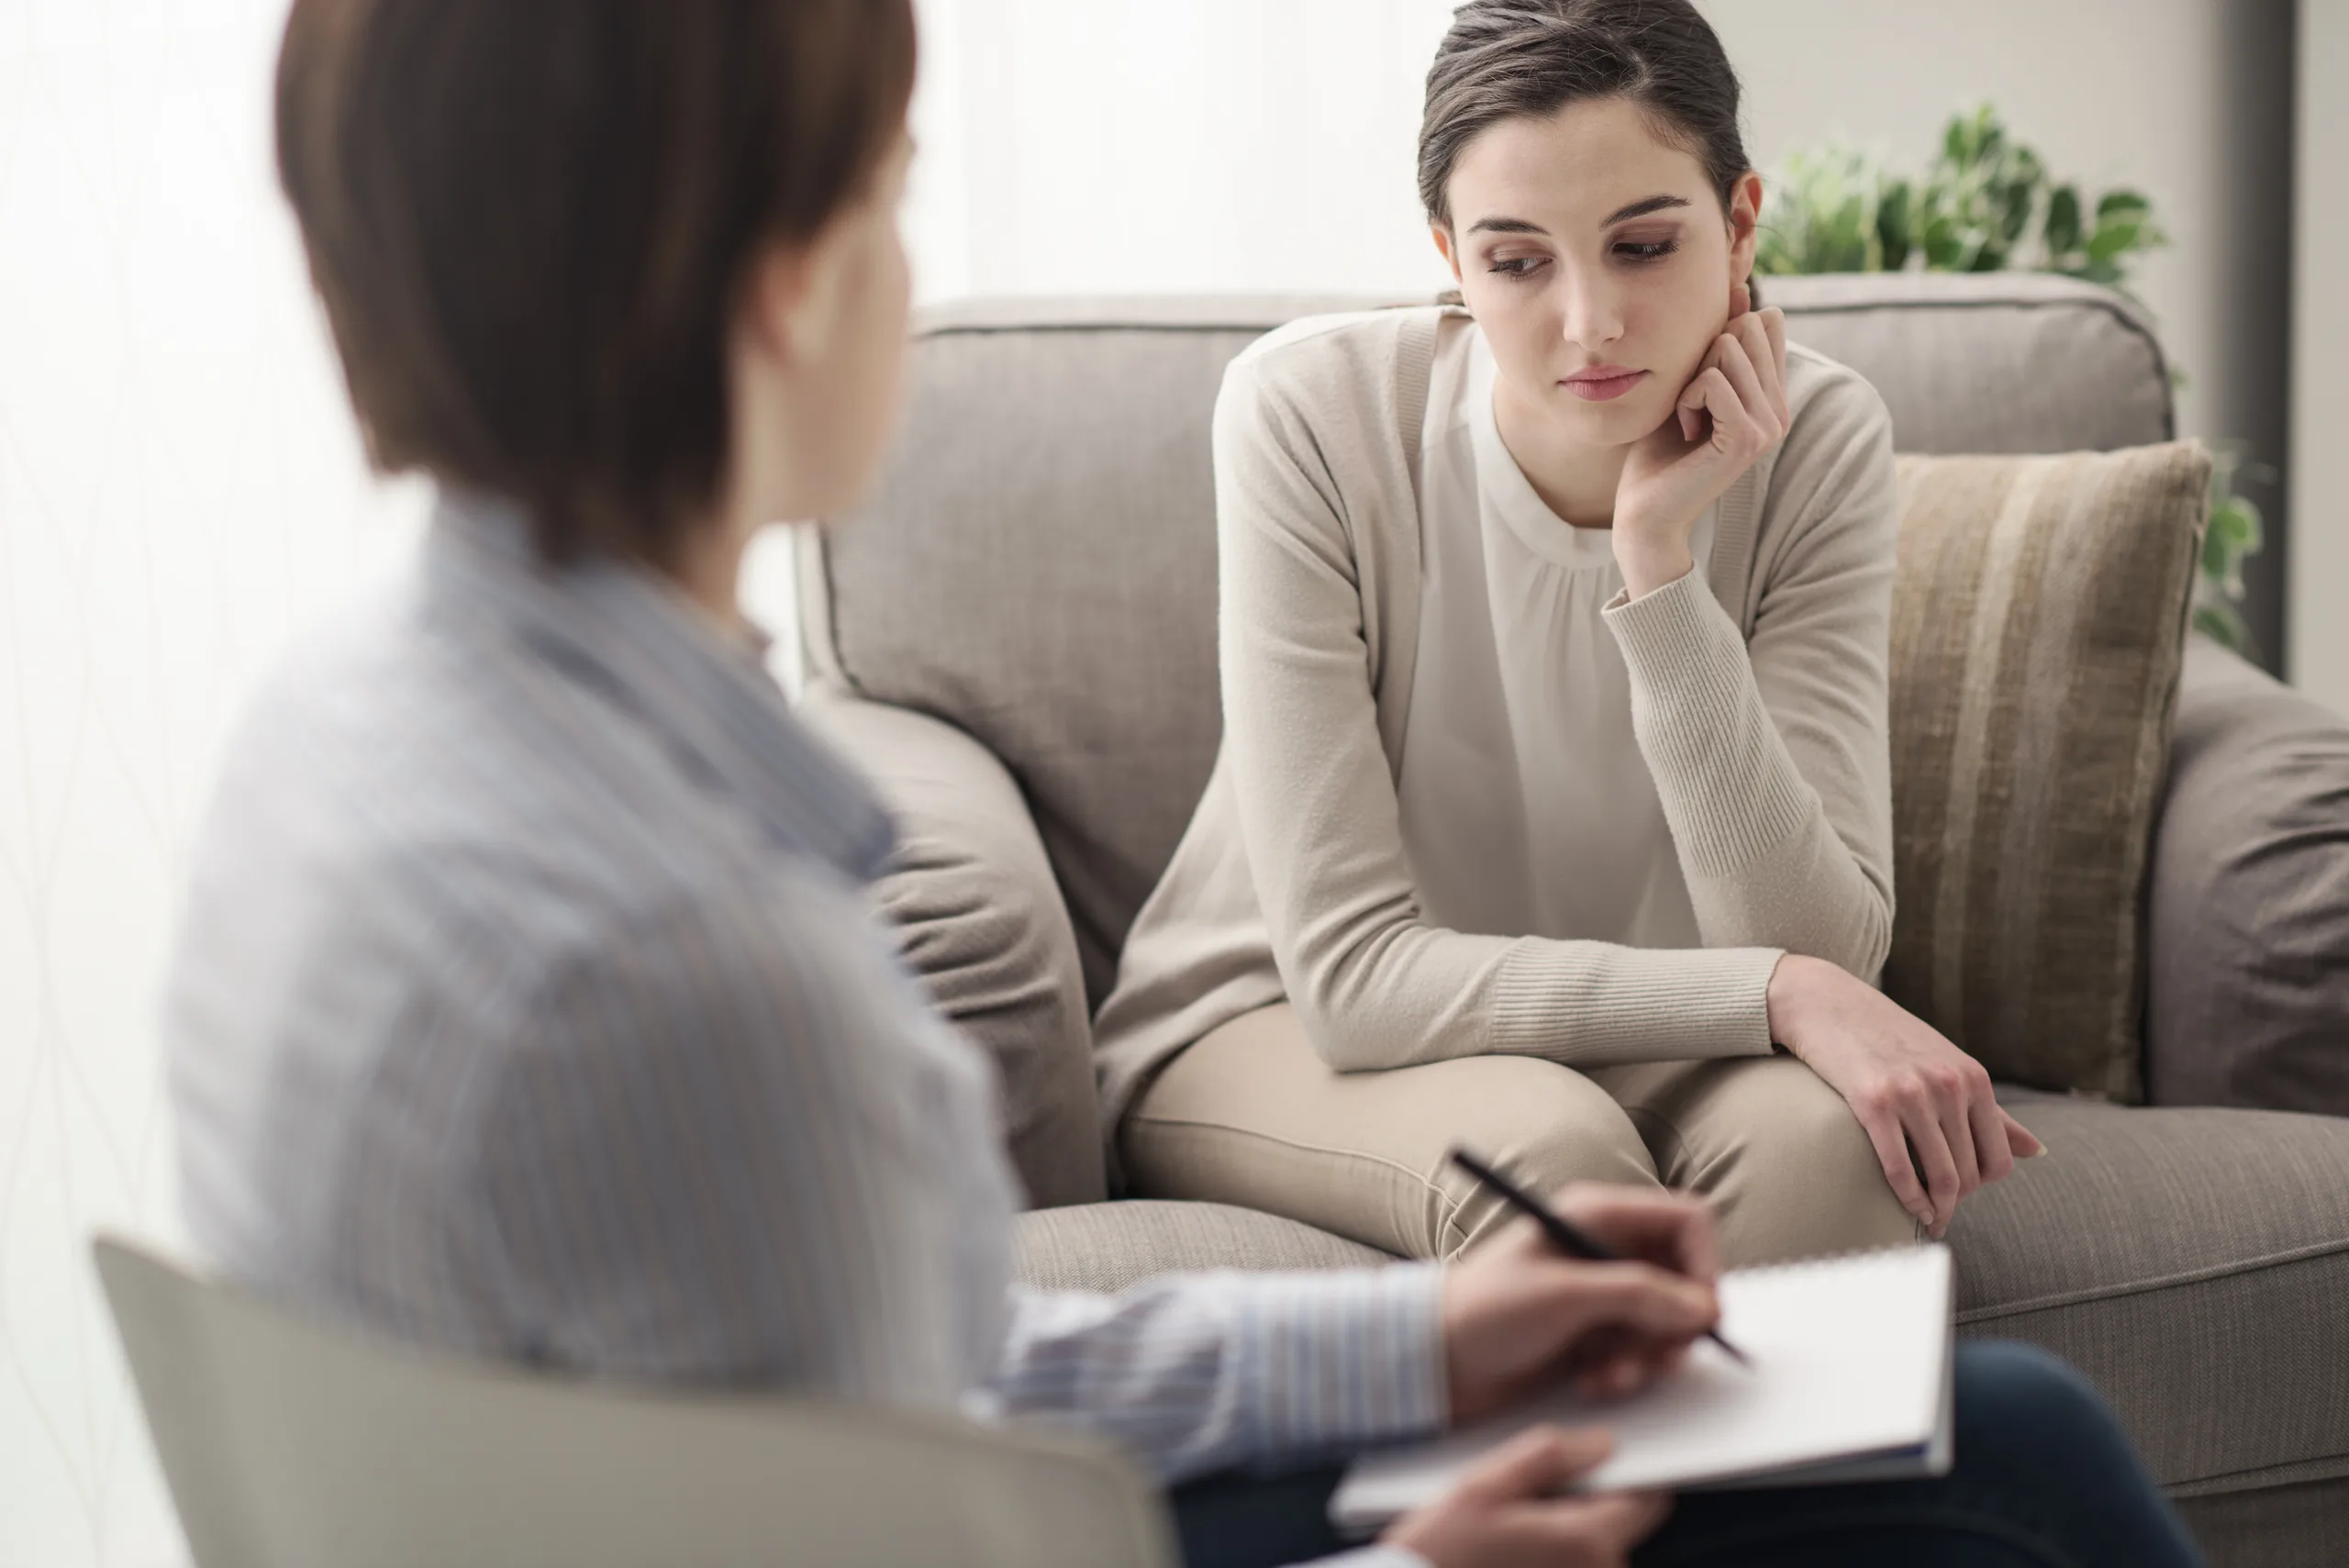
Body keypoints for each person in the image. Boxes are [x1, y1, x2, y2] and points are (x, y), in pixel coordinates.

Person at [161, 2, 2206, 1564]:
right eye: (886, 192)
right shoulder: (699, 966)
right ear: (784, 292)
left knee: (1957, 1418)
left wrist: (1417, 1350)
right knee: (2022, 1449)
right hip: (1284, 1103)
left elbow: (918, 1381)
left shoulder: (333, 751)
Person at [1094, 0, 2042, 1268]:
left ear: (1741, 219)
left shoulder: (1822, 440)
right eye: (1518, 261)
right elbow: (1355, 978)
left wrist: (1657, 568)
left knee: (1837, 1158)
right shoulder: (1308, 414)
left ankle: (1791, 1476)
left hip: (1662, 1036)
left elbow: (1820, 945)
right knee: (1552, 1154)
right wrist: (1769, 995)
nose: (1589, 322)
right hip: (1276, 1024)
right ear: (1450, 254)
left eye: (1643, 245)